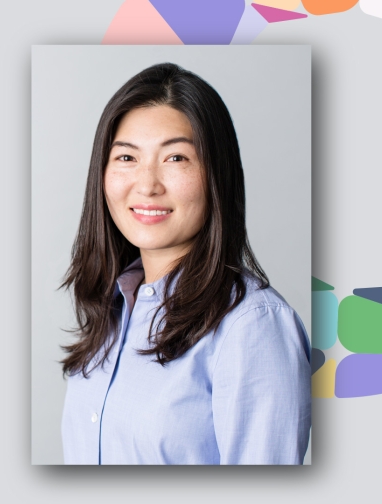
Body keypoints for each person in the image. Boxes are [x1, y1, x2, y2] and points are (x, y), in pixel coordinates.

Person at [60, 63, 310, 465]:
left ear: (217, 175)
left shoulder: (253, 325)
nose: (147, 184)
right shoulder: (115, 308)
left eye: (176, 158)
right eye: (126, 157)